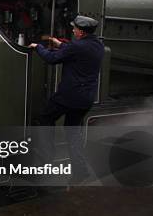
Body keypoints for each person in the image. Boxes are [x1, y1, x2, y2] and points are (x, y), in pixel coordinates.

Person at [28, 15, 104, 184]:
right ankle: (80, 171)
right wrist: (60, 44)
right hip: (85, 99)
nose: (72, 30)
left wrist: (38, 47)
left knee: (46, 118)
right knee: (72, 133)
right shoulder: (98, 45)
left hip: (69, 96)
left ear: (81, 32)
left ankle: (45, 160)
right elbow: (76, 51)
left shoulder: (77, 46)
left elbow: (52, 58)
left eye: (75, 28)